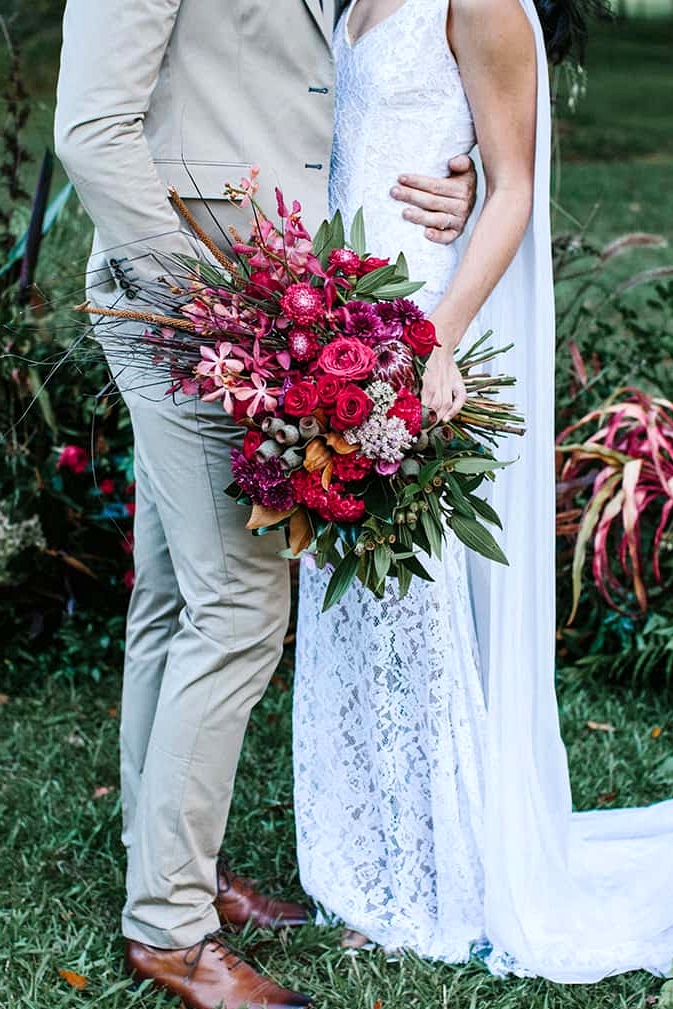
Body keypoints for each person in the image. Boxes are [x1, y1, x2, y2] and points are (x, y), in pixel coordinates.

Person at [53, 2, 478, 1007]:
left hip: (253, 288)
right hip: (187, 305)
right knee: (238, 609)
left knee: (174, 593)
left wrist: (452, 168)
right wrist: (210, 308)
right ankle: (169, 931)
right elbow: (88, 131)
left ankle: (172, 870)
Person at [294, 0, 673, 983]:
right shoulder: (347, 2)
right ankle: (362, 851)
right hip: (334, 312)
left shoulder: (481, 2)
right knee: (350, 596)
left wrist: (437, 339)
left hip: (413, 319)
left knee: (411, 601)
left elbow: (510, 187)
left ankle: (431, 866)